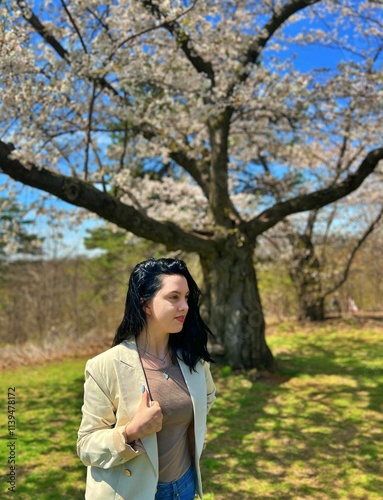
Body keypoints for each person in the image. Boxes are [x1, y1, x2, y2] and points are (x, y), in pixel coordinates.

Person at [77, 257, 216, 500]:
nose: (184, 306)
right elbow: (86, 446)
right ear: (146, 304)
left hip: (185, 487)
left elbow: (207, 398)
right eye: (174, 297)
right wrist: (131, 431)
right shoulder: (105, 366)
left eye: (186, 298)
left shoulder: (194, 358)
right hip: (133, 493)